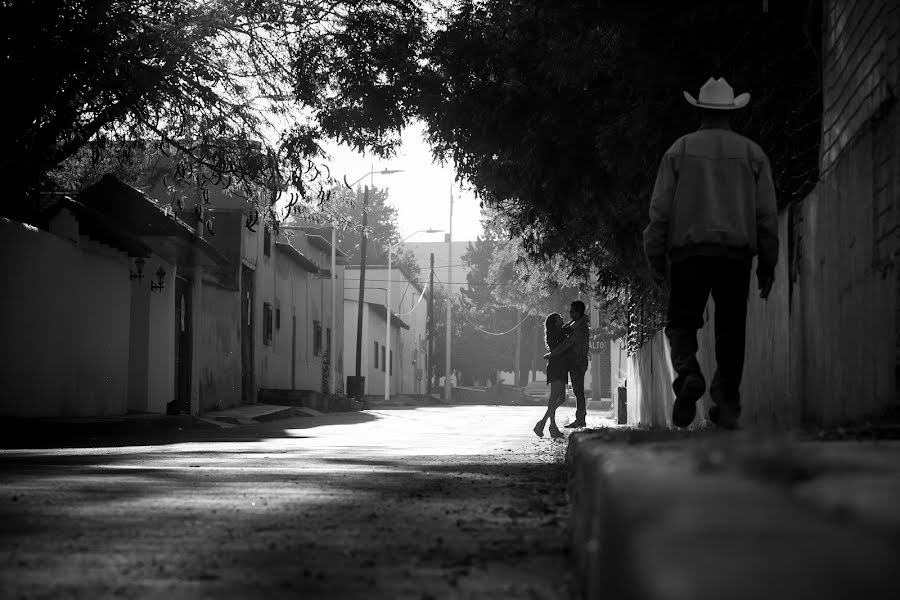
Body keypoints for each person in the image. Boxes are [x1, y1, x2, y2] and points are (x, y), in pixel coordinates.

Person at [643, 77, 779, 430]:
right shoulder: (752, 154)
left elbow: (660, 210)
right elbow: (766, 215)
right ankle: (726, 402)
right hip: (736, 256)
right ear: (732, 112)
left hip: (689, 254)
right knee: (731, 330)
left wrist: (655, 252)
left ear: (700, 112)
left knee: (680, 323)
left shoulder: (679, 151)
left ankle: (688, 374)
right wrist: (768, 259)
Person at [544, 300, 590, 428]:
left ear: (578, 312)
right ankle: (577, 418)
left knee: (578, 391)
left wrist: (552, 354)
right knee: (574, 391)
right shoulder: (576, 324)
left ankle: (580, 419)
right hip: (572, 363)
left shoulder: (580, 327)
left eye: (572, 311)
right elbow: (566, 331)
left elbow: (567, 343)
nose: (569, 314)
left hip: (578, 362)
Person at [534, 313, 568, 438]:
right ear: (555, 323)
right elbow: (561, 347)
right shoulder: (556, 334)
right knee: (555, 397)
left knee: (561, 398)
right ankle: (550, 426)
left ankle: (543, 423)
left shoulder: (560, 332)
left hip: (561, 366)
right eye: (560, 318)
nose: (563, 319)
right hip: (556, 366)